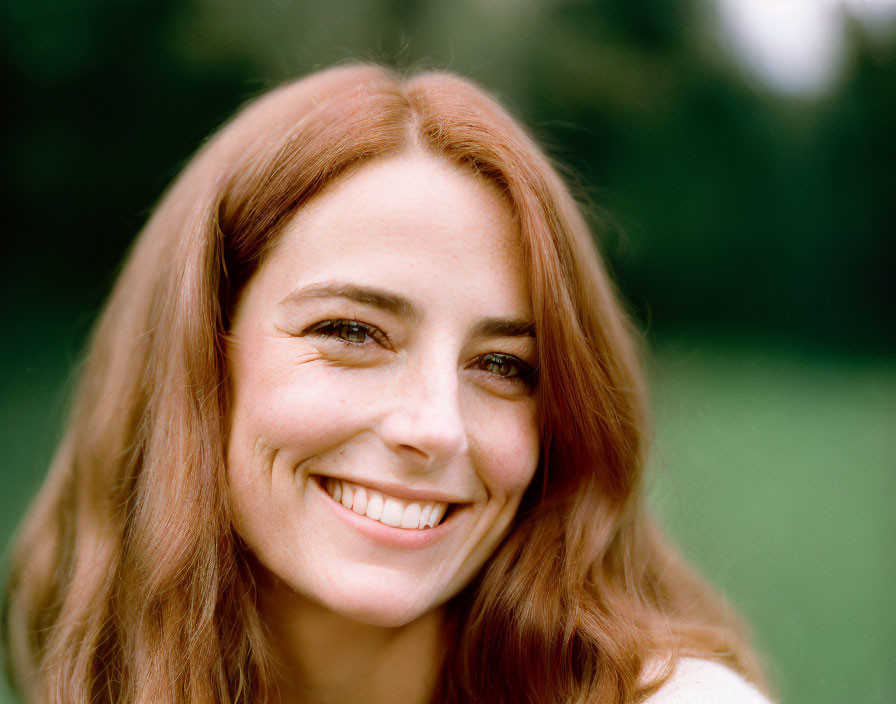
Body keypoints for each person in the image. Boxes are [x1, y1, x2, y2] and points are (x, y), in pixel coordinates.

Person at [3, 63, 775, 704]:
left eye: (503, 366)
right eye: (351, 332)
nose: (437, 427)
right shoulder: (91, 665)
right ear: (199, 357)